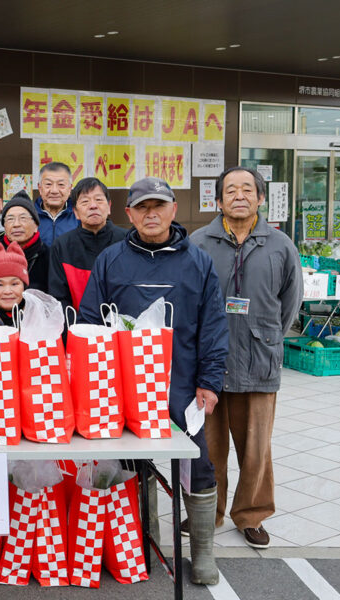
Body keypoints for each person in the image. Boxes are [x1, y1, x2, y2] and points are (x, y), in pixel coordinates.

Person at [79, 176, 229, 586]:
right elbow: (90, 323)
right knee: (134, 466)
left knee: (198, 464)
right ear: (128, 214)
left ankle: (203, 551)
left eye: (158, 206)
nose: (151, 214)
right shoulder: (111, 259)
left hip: (182, 385)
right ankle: (146, 541)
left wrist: (209, 381)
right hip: (121, 389)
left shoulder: (198, 262)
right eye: (142, 207)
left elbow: (214, 326)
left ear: (173, 210)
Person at [191, 166, 303, 550]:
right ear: (218, 200)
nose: (239, 196)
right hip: (209, 364)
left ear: (260, 198)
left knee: (256, 448)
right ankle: (208, 511)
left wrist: (265, 337)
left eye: (247, 189)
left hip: (259, 360)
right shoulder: (199, 243)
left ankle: (251, 515)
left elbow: (290, 303)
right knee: (208, 447)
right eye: (231, 190)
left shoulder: (280, 245)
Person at [48, 177, 128, 312]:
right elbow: (59, 298)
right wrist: (76, 324)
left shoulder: (127, 241)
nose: (93, 206)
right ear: (76, 212)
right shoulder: (62, 246)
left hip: (120, 323)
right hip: (77, 324)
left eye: (99, 200)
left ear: (109, 207)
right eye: (85, 201)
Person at [0, 192, 49, 292]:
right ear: (4, 226)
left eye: (23, 218)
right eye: (10, 219)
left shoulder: (49, 256)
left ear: (36, 226)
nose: (16, 224)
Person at [35, 162, 80, 246]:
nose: (54, 190)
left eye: (61, 184)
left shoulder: (80, 217)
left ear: (69, 189)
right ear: (40, 188)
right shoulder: (29, 216)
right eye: (48, 184)